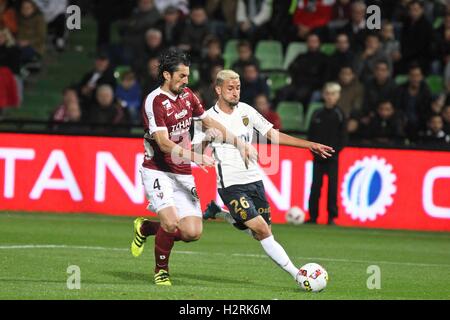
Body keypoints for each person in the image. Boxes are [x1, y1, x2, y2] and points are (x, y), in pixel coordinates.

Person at [130, 49, 257, 286]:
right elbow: (163, 143)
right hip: (157, 169)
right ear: (167, 75)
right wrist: (194, 157)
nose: (186, 80)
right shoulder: (155, 101)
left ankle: (146, 227)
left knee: (192, 232)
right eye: (181, 76)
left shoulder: (188, 95)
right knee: (170, 222)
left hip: (182, 172)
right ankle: (161, 271)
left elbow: (209, 122)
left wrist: (239, 143)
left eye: (188, 75)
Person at [200, 69, 333, 284]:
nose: (236, 93)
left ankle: (220, 213)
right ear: (218, 89)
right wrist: (202, 149)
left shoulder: (246, 111)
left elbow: (273, 135)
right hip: (231, 185)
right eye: (230, 89)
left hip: (254, 180)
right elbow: (197, 148)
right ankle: (298, 275)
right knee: (261, 228)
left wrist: (310, 145)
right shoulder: (208, 118)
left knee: (260, 233)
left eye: (238, 88)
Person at [307, 82, 347, 225]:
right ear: (324, 95)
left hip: (332, 158)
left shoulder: (340, 114)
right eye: (328, 94)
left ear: (338, 96)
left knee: (332, 187)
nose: (330, 97)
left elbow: (343, 138)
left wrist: (333, 152)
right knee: (315, 187)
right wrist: (315, 150)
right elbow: (311, 134)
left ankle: (331, 217)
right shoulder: (317, 113)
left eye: (333, 94)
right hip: (318, 157)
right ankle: (313, 216)